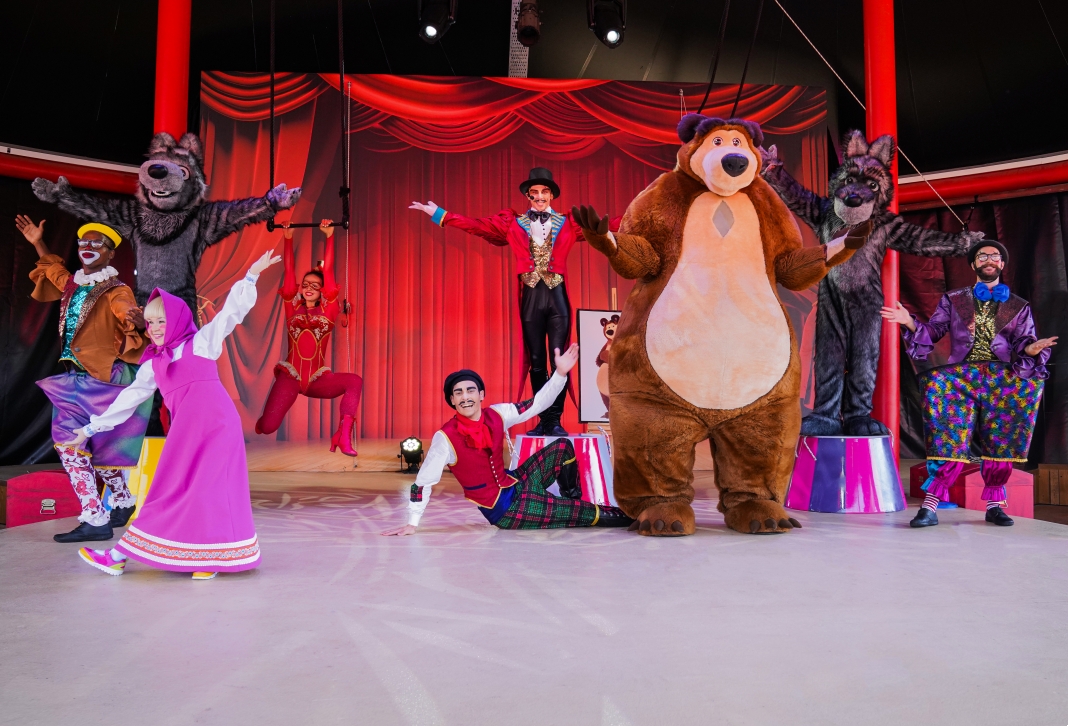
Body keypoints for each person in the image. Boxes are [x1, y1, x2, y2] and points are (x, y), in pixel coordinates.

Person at [69, 250, 281, 579]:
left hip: (217, 430)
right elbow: (129, 399)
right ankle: (120, 556)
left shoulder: (201, 343)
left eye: (162, 321)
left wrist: (251, 276)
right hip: (185, 435)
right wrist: (90, 429)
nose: (154, 328)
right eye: (150, 322)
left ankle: (209, 559)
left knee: (209, 492)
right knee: (166, 493)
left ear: (178, 320)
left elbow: (230, 314)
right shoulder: (154, 364)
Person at [409, 168, 617, 436]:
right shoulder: (512, 222)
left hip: (557, 298)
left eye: (544, 192)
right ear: (527, 196)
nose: (539, 196)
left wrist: (645, 215)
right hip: (530, 298)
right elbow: (477, 225)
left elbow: (606, 225)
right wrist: (441, 214)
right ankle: (543, 419)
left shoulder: (569, 222)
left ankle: (555, 420)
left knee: (560, 360)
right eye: (534, 192)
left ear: (551, 195)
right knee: (537, 361)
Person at [881, 240, 1057, 528]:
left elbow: (1024, 342)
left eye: (995, 256)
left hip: (1001, 378)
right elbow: (934, 331)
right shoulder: (954, 299)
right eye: (982, 256)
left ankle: (994, 507)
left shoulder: (1017, 305)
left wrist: (1031, 349)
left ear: (1002, 264)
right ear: (974, 264)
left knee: (1001, 440)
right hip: (960, 377)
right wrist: (908, 322)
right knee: (948, 437)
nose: (989, 260)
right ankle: (930, 507)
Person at [381, 344, 632, 535]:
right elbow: (423, 482)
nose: (465, 397)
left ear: (481, 394)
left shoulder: (497, 414)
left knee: (562, 448)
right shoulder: (445, 438)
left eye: (470, 390)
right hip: (505, 510)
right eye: (458, 393)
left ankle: (571, 501)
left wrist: (559, 374)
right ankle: (629, 517)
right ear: (452, 401)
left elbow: (537, 404)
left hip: (516, 482)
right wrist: (412, 523)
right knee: (586, 513)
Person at [18, 215, 152, 543]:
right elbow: (53, 270)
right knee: (84, 445)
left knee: (79, 446)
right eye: (83, 242)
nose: (87, 247)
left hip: (102, 379)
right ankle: (120, 502)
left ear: (110, 253)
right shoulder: (73, 284)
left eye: (97, 243)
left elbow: (126, 312)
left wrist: (136, 321)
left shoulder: (117, 290)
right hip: (75, 380)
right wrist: (38, 242)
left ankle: (95, 517)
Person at [254, 220, 363, 456]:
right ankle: (264, 422)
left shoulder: (329, 310)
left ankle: (343, 435)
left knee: (354, 381)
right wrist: (288, 238)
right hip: (290, 378)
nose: (309, 287)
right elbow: (289, 273)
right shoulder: (291, 308)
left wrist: (329, 236)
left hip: (316, 380)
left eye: (315, 285)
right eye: (305, 285)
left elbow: (329, 274)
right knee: (268, 427)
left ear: (323, 289)